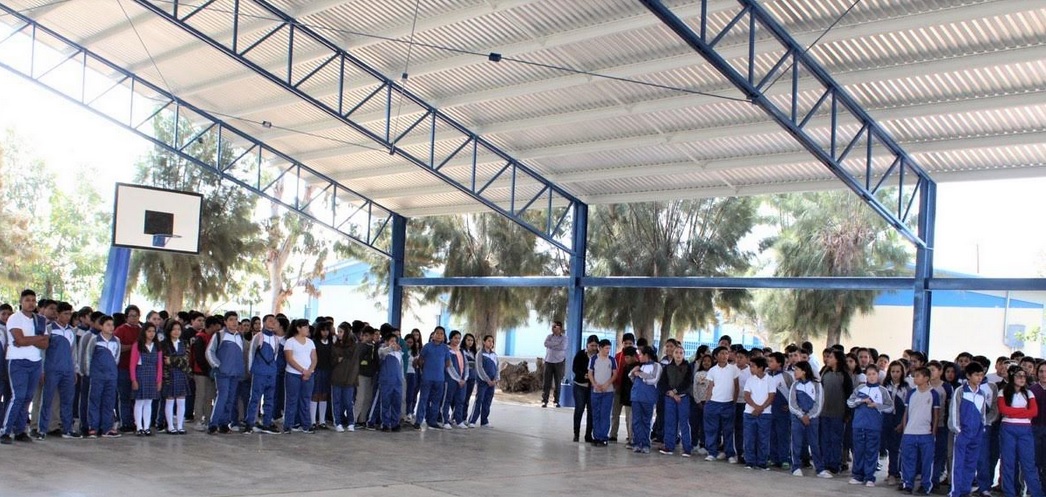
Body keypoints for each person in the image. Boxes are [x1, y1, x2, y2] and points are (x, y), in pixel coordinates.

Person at [1, 290, 48, 444]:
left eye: (33, 300)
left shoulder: (40, 320)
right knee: (18, 396)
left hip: (35, 362)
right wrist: (37, 338)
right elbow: (19, 340)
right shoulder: (15, 318)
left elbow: (45, 344)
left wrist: (28, 340)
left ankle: (20, 431)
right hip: (17, 361)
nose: (31, 303)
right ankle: (5, 431)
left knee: (28, 397)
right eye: (27, 300)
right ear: (21, 302)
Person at [997, 365, 1044, 497]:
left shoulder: (1029, 393)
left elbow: (1034, 412)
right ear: (1012, 376)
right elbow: (1003, 410)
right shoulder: (1003, 392)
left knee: (1028, 463)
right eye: (1019, 376)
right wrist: (1023, 411)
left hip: (1025, 429)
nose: (1022, 379)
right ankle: (1009, 493)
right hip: (1008, 429)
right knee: (1008, 463)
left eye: (1024, 376)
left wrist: (1013, 413)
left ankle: (1037, 493)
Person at [847, 364, 894, 487]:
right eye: (869, 374)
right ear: (866, 375)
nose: (871, 377)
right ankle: (857, 475)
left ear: (878, 375)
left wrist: (877, 405)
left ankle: (869, 477)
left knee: (871, 451)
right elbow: (850, 402)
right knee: (858, 451)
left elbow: (890, 407)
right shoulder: (860, 388)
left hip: (874, 426)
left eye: (874, 374)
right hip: (858, 425)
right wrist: (861, 401)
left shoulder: (883, 391)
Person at [38, 301, 79, 439]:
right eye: (65, 314)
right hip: (52, 369)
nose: (68, 317)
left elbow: (73, 352)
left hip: (68, 370)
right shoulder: (49, 329)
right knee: (47, 400)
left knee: (67, 401)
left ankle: (67, 429)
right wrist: (42, 370)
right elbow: (43, 351)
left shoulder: (71, 331)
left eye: (69, 314)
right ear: (58, 314)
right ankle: (42, 429)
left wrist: (74, 370)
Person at [949, 361, 989, 497]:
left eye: (981, 375)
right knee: (958, 463)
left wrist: (982, 429)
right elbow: (954, 411)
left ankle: (965, 490)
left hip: (976, 434)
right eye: (976, 375)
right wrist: (958, 430)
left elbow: (983, 414)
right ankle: (955, 492)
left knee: (971, 463)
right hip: (962, 434)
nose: (979, 378)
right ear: (968, 375)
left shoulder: (982, 393)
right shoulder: (960, 391)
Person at [899, 367, 940, 495]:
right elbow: (906, 412)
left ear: (926, 378)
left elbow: (936, 414)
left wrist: (933, 432)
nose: (915, 378)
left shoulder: (933, 394)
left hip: (926, 433)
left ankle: (925, 485)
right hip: (910, 432)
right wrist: (905, 429)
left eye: (918, 376)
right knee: (908, 459)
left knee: (927, 461)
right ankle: (908, 484)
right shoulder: (911, 393)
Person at [788, 360, 830, 478]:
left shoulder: (816, 385)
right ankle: (796, 467)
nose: (795, 372)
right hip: (797, 418)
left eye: (797, 370)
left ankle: (820, 469)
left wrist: (809, 416)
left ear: (804, 371)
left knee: (814, 443)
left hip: (813, 419)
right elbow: (792, 404)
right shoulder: (795, 385)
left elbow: (819, 403)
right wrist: (801, 415)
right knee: (796, 443)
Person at [205, 312, 245, 434]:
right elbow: (209, 351)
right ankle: (213, 424)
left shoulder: (240, 336)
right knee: (222, 397)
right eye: (231, 319)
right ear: (225, 322)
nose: (234, 322)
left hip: (235, 373)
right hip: (222, 373)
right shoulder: (219, 335)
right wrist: (217, 365)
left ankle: (224, 423)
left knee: (231, 398)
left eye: (236, 319)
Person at [84, 315, 121, 438]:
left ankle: (107, 428)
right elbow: (88, 356)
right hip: (97, 376)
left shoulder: (116, 341)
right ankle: (93, 427)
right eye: (108, 325)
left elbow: (117, 357)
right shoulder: (95, 340)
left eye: (112, 325)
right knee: (95, 400)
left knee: (109, 401)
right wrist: (88, 372)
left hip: (111, 376)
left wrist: (112, 371)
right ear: (101, 326)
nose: (111, 327)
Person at [243, 314, 280, 435]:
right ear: (264, 322)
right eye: (270, 321)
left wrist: (273, 369)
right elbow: (251, 353)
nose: (273, 323)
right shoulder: (258, 337)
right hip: (259, 372)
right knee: (255, 398)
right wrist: (251, 369)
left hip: (271, 372)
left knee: (269, 399)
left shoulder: (276, 339)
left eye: (274, 321)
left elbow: (275, 355)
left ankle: (266, 423)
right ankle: (250, 423)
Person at [704, 346, 740, 463]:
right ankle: (712, 452)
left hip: (728, 403)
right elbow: (710, 387)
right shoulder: (712, 370)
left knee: (728, 430)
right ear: (716, 356)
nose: (725, 356)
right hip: (714, 402)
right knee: (712, 429)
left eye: (726, 353)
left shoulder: (733, 369)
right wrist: (707, 402)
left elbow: (736, 386)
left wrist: (733, 401)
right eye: (722, 353)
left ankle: (730, 454)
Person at [820, 348, 853, 473]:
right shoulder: (825, 373)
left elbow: (849, 395)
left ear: (838, 360)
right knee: (825, 439)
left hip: (838, 413)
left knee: (836, 439)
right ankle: (825, 462)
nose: (828, 359)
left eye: (831, 357)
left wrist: (847, 413)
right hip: (824, 412)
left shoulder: (844, 376)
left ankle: (835, 464)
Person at [283, 319, 317, 434]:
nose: (308, 329)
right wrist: (303, 371)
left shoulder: (310, 342)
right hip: (293, 374)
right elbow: (290, 359)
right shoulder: (290, 342)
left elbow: (314, 358)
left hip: (309, 375)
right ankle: (288, 424)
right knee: (292, 400)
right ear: (298, 328)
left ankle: (306, 424)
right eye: (305, 327)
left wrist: (309, 371)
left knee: (305, 399)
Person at [657, 344, 691, 456]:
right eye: (676, 352)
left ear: (684, 355)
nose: (678, 355)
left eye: (681, 353)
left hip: (683, 398)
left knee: (684, 423)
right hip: (670, 398)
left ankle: (687, 448)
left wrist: (676, 391)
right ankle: (669, 446)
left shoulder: (688, 367)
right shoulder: (667, 368)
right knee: (670, 422)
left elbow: (687, 382)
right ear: (673, 354)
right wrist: (671, 393)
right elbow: (662, 383)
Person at [129, 322, 163, 436]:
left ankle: (147, 426)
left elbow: (159, 365)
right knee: (139, 402)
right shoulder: (137, 345)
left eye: (153, 331)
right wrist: (133, 379)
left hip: (152, 375)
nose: (151, 334)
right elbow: (132, 364)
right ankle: (139, 427)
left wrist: (159, 380)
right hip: (141, 374)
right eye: (149, 331)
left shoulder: (157, 346)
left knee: (149, 402)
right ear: (144, 332)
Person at [113, 305, 142, 432]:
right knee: (124, 396)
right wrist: (133, 347)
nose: (134, 318)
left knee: (136, 397)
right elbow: (117, 347)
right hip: (123, 367)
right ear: (126, 317)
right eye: (131, 316)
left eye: (136, 316)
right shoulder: (121, 330)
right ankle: (125, 422)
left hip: (138, 369)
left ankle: (136, 421)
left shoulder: (142, 330)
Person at [742, 356, 774, 470]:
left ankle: (762, 462)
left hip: (765, 414)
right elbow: (746, 395)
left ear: (760, 368)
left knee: (763, 439)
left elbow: (771, 396)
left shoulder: (770, 380)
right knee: (749, 438)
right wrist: (755, 407)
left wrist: (761, 408)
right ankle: (749, 461)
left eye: (753, 366)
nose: (751, 368)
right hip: (750, 413)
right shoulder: (750, 380)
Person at [629, 345, 662, 454]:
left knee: (646, 421)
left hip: (648, 398)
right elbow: (631, 377)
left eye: (640, 354)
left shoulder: (657, 366)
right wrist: (634, 372)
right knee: (636, 421)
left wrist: (640, 374)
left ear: (646, 355)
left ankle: (645, 443)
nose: (639, 357)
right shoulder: (640, 366)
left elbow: (654, 379)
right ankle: (637, 443)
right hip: (636, 397)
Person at [161, 319, 191, 435]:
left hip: (182, 374)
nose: (176, 331)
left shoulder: (184, 343)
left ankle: (180, 425)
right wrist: (178, 360)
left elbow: (186, 360)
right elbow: (165, 361)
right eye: (174, 329)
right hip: (169, 375)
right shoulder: (164, 344)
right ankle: (170, 426)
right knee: (169, 401)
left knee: (181, 401)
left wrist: (172, 360)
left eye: (179, 329)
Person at [415, 326, 448, 430]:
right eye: (437, 333)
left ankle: (432, 421)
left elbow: (447, 363)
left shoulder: (445, 348)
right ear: (433, 335)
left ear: (444, 336)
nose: (439, 335)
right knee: (423, 399)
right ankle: (418, 421)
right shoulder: (427, 346)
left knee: (436, 401)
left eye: (441, 334)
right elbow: (420, 360)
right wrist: (424, 369)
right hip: (427, 378)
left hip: (440, 379)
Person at [191, 316, 220, 431]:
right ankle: (198, 420)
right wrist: (208, 370)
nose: (219, 329)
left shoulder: (213, 337)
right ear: (212, 326)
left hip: (210, 373)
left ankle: (208, 420)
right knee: (200, 396)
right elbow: (199, 357)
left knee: (209, 397)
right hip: (200, 373)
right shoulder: (200, 338)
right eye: (217, 326)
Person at [884, 360, 910, 486]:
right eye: (893, 371)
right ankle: (892, 471)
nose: (895, 374)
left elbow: (907, 408)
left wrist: (902, 423)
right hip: (886, 418)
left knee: (896, 447)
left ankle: (893, 473)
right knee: (889, 447)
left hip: (899, 418)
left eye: (898, 371)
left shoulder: (906, 388)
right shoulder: (885, 386)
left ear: (902, 373)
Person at [588, 339, 617, 447]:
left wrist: (607, 384)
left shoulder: (612, 360)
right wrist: (595, 384)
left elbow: (615, 374)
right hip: (596, 391)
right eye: (606, 348)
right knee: (596, 413)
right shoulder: (593, 359)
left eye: (609, 348)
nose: (608, 350)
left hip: (608, 391)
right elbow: (590, 373)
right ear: (600, 348)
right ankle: (597, 436)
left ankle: (604, 437)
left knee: (605, 413)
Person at [330, 322, 358, 432]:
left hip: (349, 379)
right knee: (337, 401)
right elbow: (331, 361)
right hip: (337, 377)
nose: (339, 334)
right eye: (338, 332)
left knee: (348, 402)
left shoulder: (354, 346)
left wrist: (352, 378)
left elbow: (355, 364)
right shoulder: (335, 345)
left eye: (341, 332)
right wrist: (337, 360)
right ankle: (338, 422)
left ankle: (351, 422)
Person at [767, 352, 792, 468]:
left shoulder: (786, 376)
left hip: (783, 411)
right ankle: (773, 457)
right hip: (769, 409)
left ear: (779, 363)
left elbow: (793, 392)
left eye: (772, 361)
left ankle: (784, 458)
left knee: (783, 435)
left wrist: (789, 405)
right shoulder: (766, 375)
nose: (769, 363)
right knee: (771, 434)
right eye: (768, 361)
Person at [572, 335, 598, 442]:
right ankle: (576, 433)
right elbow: (575, 368)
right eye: (592, 345)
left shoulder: (599, 356)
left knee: (591, 411)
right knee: (579, 409)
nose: (594, 348)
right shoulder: (580, 354)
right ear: (587, 345)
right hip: (580, 385)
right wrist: (584, 375)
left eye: (596, 345)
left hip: (592, 387)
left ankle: (588, 435)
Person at [609, 333, 635, 442]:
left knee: (630, 416)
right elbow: (614, 372)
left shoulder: (637, 357)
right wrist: (615, 385)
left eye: (630, 343)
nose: (628, 345)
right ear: (622, 343)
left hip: (630, 391)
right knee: (615, 413)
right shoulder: (618, 356)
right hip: (618, 389)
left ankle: (631, 436)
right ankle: (613, 434)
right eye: (626, 343)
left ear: (633, 344)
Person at [468, 335, 498, 428]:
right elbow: (479, 368)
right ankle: (472, 420)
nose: (491, 343)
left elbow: (497, 368)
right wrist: (487, 379)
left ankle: (484, 421)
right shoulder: (480, 354)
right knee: (479, 400)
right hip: (483, 382)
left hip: (492, 383)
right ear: (484, 342)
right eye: (489, 341)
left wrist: (495, 379)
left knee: (487, 401)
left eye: (492, 341)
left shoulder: (494, 355)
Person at [442, 330, 469, 429]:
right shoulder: (447, 350)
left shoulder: (461, 351)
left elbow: (466, 365)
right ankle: (445, 420)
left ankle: (459, 420)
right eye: (455, 338)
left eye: (459, 338)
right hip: (450, 379)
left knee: (460, 400)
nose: (457, 340)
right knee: (447, 399)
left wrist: (465, 378)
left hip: (462, 380)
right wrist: (458, 379)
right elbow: (449, 366)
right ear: (450, 339)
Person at [377, 333, 404, 432]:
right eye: (392, 341)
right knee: (385, 403)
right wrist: (390, 348)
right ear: (386, 342)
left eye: (395, 341)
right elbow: (382, 353)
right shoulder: (382, 350)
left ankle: (395, 423)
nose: (394, 343)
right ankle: (385, 423)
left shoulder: (399, 353)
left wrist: (402, 379)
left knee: (397, 403)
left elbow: (401, 367)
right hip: (386, 382)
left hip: (397, 382)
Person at [310, 321, 333, 430]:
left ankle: (322, 421)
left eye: (327, 330)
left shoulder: (331, 343)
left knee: (324, 395)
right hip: (317, 370)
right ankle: (313, 421)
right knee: (315, 394)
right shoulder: (314, 342)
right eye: (323, 330)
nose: (325, 332)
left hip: (327, 370)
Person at [541, 321, 567, 408]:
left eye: (555, 326)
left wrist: (551, 345)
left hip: (559, 362)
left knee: (557, 382)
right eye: (552, 326)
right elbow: (545, 344)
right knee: (546, 382)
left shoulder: (564, 338)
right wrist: (556, 344)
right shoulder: (549, 336)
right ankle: (544, 401)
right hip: (548, 361)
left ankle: (556, 401)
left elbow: (562, 347)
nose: (553, 328)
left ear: (560, 328)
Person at [619, 346, 638, 448]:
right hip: (627, 398)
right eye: (625, 357)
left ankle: (634, 439)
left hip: (636, 398)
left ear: (634, 356)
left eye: (627, 357)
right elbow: (623, 384)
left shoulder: (639, 367)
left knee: (634, 419)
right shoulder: (626, 367)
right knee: (628, 419)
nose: (626, 360)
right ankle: (630, 438)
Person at [1032, 361, 1046, 490]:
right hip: (1034, 429)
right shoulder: (1032, 390)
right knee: (1036, 461)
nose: (1043, 374)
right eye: (1041, 371)